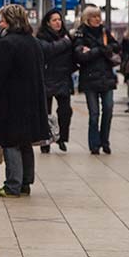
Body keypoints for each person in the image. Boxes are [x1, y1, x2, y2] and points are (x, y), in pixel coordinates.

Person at [0, 4, 50, 198]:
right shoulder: (33, 42)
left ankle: (12, 185)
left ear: (9, 20)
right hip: (32, 100)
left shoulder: (7, 43)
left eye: (3, 18)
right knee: (25, 142)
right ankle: (25, 182)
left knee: (10, 141)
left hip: (11, 101)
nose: (0, 21)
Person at [73, 6, 121, 155]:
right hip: (89, 79)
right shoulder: (80, 33)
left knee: (108, 109)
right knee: (94, 114)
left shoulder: (104, 32)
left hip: (106, 77)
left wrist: (94, 49)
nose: (97, 19)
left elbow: (116, 47)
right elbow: (80, 55)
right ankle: (94, 144)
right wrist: (101, 49)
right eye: (94, 17)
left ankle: (105, 141)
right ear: (87, 19)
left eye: (98, 16)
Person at [36, 9, 73, 153]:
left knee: (65, 111)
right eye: (54, 20)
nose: (58, 22)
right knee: (45, 113)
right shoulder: (42, 37)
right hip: (46, 77)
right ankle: (45, 141)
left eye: (59, 19)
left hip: (63, 77)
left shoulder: (66, 36)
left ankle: (62, 137)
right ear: (48, 23)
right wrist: (65, 42)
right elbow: (48, 50)